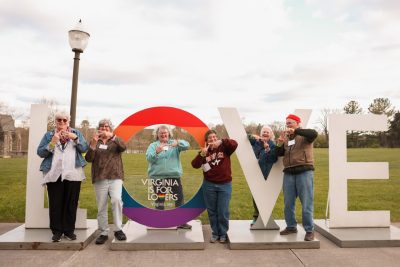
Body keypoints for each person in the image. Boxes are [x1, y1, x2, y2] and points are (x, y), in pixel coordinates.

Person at [37, 111, 88, 242]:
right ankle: (57, 231)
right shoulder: (49, 135)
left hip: (73, 174)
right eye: (59, 120)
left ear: (68, 122)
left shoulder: (76, 133)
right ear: (55, 121)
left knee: (71, 203)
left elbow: (84, 148)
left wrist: (75, 138)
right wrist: (52, 143)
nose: (61, 122)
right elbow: (40, 152)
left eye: (64, 120)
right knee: (55, 203)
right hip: (54, 173)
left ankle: (69, 231)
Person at [276, 114, 318, 241]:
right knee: (288, 203)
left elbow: (314, 133)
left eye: (291, 122)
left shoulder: (305, 136)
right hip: (288, 173)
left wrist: (296, 131)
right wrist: (279, 143)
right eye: (287, 123)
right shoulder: (287, 139)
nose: (288, 124)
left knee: (306, 203)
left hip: (304, 171)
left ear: (298, 123)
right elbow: (278, 154)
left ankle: (309, 230)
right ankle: (291, 226)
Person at [85, 119, 127, 245]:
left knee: (116, 200)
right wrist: (92, 146)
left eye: (107, 126)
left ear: (110, 129)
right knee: (101, 205)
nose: (104, 128)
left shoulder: (115, 140)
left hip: (115, 176)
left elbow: (124, 147)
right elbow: (89, 159)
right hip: (99, 177)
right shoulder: (95, 141)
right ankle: (103, 232)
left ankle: (118, 229)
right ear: (99, 128)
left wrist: (113, 137)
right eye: (102, 126)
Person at [191, 130, 238, 243]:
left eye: (214, 137)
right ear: (206, 141)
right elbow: (195, 165)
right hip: (209, 185)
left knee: (223, 211)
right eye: (210, 138)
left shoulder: (224, 148)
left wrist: (222, 141)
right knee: (212, 211)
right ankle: (215, 233)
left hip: (225, 184)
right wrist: (202, 153)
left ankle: (223, 233)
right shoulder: (204, 152)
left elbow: (235, 143)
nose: (212, 139)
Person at [145, 125, 192, 229]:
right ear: (157, 134)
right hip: (158, 179)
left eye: (165, 132)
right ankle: (160, 221)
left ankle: (181, 222)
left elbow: (187, 146)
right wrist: (156, 152)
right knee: (160, 200)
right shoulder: (153, 145)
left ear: (169, 134)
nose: (163, 134)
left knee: (179, 199)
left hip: (173, 177)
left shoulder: (174, 144)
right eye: (161, 133)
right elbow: (149, 158)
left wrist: (178, 143)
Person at [248, 125, 278, 226]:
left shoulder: (273, 144)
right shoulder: (256, 142)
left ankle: (266, 216)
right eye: (263, 132)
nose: (265, 133)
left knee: (267, 196)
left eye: (267, 132)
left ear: (271, 135)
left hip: (267, 173)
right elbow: (247, 136)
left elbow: (274, 158)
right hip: (255, 173)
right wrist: (256, 137)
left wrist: (268, 149)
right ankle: (256, 217)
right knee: (255, 195)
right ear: (260, 134)